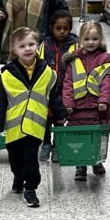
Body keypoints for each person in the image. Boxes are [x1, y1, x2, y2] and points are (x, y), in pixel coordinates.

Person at [0, 26, 66, 209]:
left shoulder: (47, 72)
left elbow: (53, 96)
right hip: (13, 128)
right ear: (14, 50)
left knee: (31, 159)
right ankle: (18, 177)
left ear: (38, 46)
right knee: (15, 159)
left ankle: (30, 188)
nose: (28, 49)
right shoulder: (6, 75)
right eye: (22, 46)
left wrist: (60, 114)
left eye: (31, 44)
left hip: (35, 126)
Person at [62, 20, 110, 181]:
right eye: (87, 39)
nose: (91, 42)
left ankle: (96, 161)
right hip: (77, 109)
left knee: (96, 136)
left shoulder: (104, 58)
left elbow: (107, 81)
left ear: (101, 39)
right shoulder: (73, 60)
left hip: (96, 108)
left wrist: (104, 100)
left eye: (95, 39)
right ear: (80, 40)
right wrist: (68, 103)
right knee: (80, 137)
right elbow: (68, 83)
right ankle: (80, 165)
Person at [38, 9, 79, 162]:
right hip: (47, 88)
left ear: (70, 29)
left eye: (65, 28)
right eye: (58, 28)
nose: (62, 32)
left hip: (65, 89)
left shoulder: (75, 46)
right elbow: (38, 63)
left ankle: (57, 145)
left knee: (60, 117)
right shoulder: (45, 45)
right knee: (46, 117)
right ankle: (46, 143)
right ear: (51, 28)